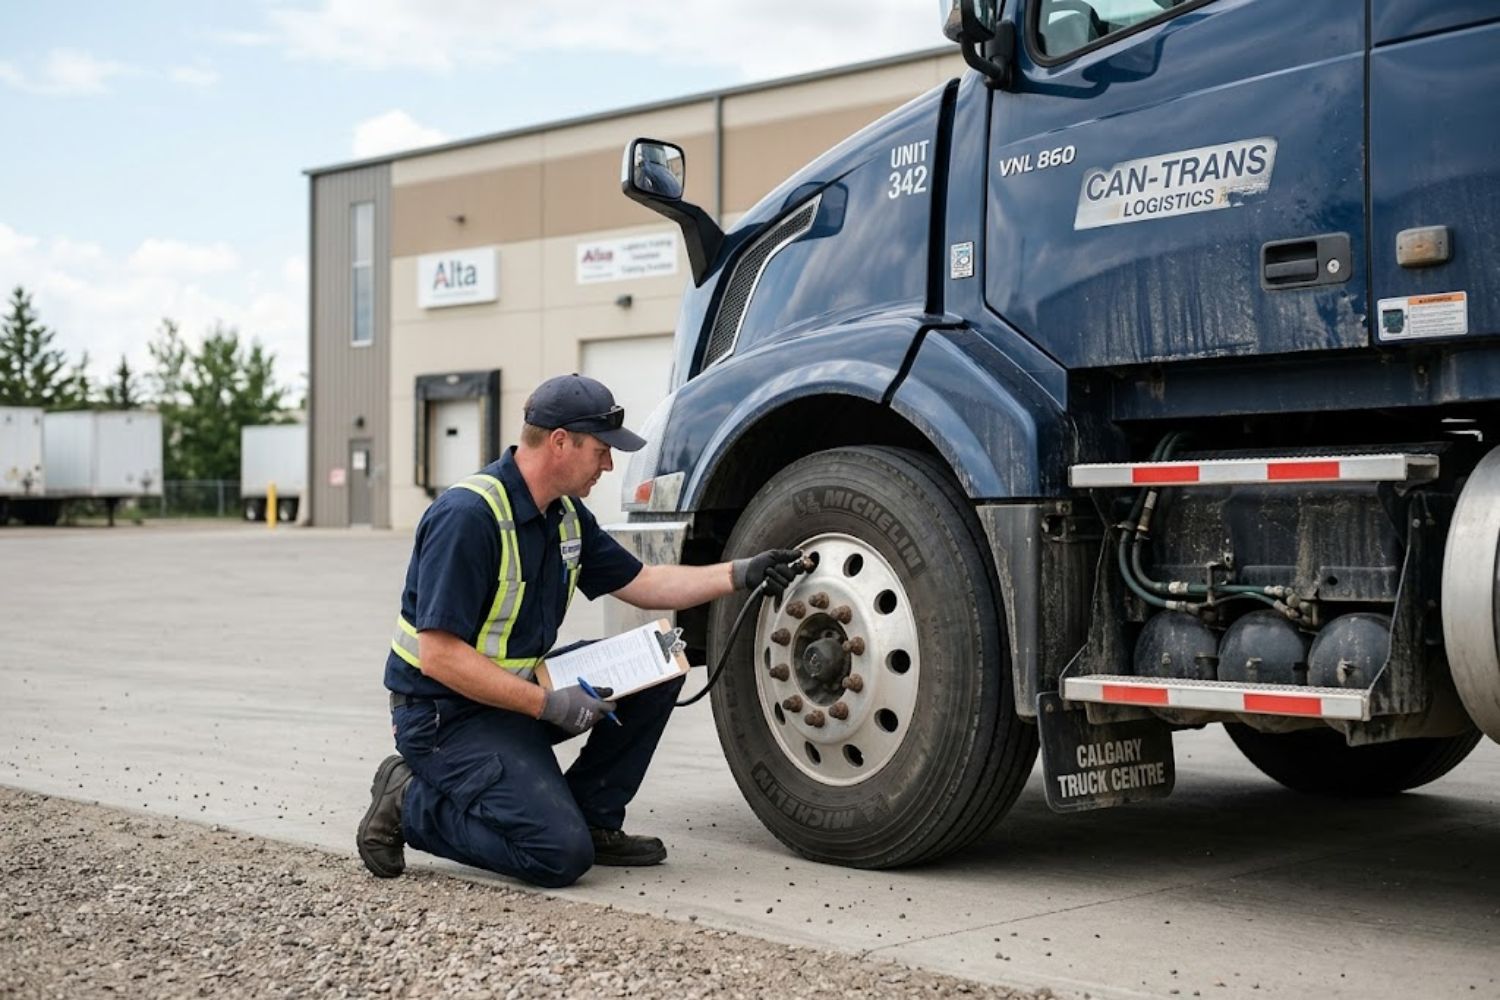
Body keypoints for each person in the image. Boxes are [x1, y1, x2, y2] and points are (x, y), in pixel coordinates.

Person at [356, 373, 800, 888]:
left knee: (658, 661)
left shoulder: (565, 516)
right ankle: (408, 800)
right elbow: (440, 657)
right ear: (560, 442)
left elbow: (645, 582)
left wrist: (741, 573)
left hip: (515, 693)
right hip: (445, 715)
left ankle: (594, 816)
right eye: (601, 450)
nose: (608, 465)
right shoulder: (468, 517)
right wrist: (547, 705)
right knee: (558, 855)